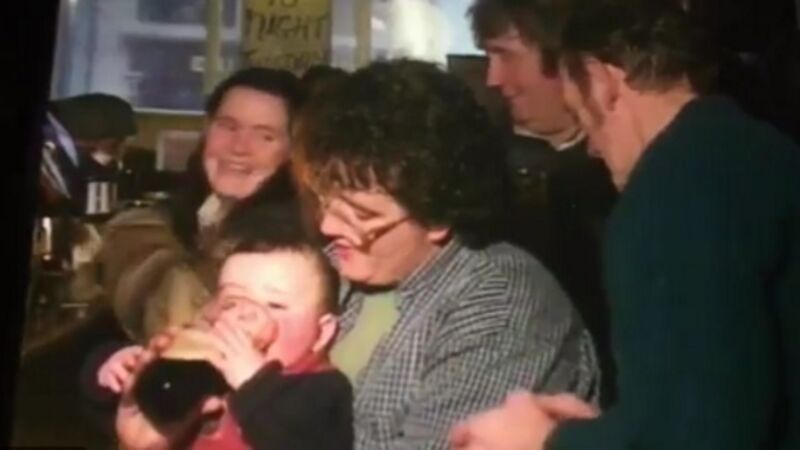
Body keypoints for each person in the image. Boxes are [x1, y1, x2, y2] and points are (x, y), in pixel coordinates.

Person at [450, 2, 800, 450]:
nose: (593, 149)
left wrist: (546, 441)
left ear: (601, 81)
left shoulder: (668, 192)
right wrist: (611, 429)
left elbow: (694, 433)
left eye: (581, 115)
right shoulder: (761, 150)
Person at [294, 58, 599, 450]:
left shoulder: (500, 303)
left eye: (363, 215)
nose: (327, 226)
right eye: (324, 200)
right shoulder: (333, 268)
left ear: (437, 216)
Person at [468, 0, 618, 405]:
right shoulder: (475, 164)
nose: (493, 78)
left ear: (565, 58)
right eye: (488, 56)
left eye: (507, 55)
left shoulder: (631, 166)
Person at [91, 226, 353, 450]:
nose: (246, 315)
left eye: (275, 305)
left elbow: (300, 440)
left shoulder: (321, 389)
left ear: (322, 333)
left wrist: (255, 382)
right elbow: (158, 409)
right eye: (231, 302)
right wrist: (128, 372)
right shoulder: (211, 372)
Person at [95, 67, 307, 344]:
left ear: (293, 152)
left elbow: (178, 321)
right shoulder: (174, 216)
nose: (239, 147)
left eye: (265, 136)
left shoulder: (291, 247)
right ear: (206, 129)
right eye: (228, 126)